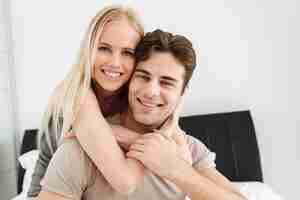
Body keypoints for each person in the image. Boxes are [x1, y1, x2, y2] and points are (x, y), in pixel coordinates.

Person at [37, 29, 246, 200]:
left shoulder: (189, 151)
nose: (150, 91)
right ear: (129, 81)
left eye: (166, 82)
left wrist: (176, 169)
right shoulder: (82, 149)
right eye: (143, 77)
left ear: (182, 94)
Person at [28, 5, 150, 197]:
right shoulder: (77, 96)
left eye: (127, 53)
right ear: (88, 49)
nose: (115, 63)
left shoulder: (143, 100)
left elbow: (178, 149)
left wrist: (114, 133)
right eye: (104, 48)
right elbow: (125, 182)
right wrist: (134, 138)